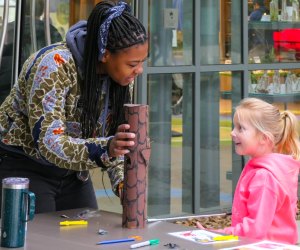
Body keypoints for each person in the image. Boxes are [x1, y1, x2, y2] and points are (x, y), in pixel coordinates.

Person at [0, 0, 148, 214]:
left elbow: (115, 142)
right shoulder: (53, 65)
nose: (139, 70)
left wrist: (123, 184)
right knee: (39, 242)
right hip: (24, 165)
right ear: (105, 54)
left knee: (88, 238)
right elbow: (49, 143)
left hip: (73, 172)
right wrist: (106, 147)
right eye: (133, 64)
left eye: (142, 62)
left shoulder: (120, 79)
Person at [197, 98, 300, 244]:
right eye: (234, 127)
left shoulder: (264, 177)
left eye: (241, 128)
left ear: (263, 138)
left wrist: (218, 235)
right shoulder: (272, 170)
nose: (233, 133)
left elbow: (254, 230)